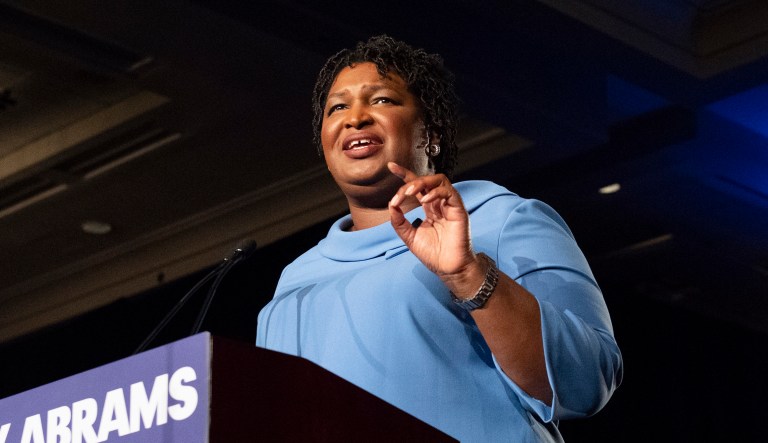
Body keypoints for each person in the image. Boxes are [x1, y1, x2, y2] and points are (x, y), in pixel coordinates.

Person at [256, 35, 622, 442]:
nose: (354, 117)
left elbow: (588, 381)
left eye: (381, 100)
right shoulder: (295, 281)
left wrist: (469, 274)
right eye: (337, 107)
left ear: (431, 132)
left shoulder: (499, 217)